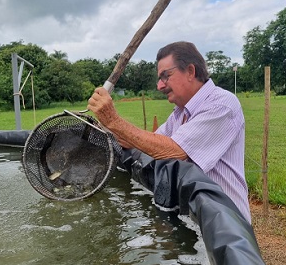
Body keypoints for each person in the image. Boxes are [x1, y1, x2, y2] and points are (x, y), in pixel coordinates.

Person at [87, 41, 251, 223]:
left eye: (166, 76)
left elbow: (175, 151)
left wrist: (114, 120)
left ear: (190, 71)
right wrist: (103, 128)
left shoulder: (221, 105)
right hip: (200, 217)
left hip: (227, 225)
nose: (160, 86)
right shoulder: (180, 113)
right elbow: (148, 145)